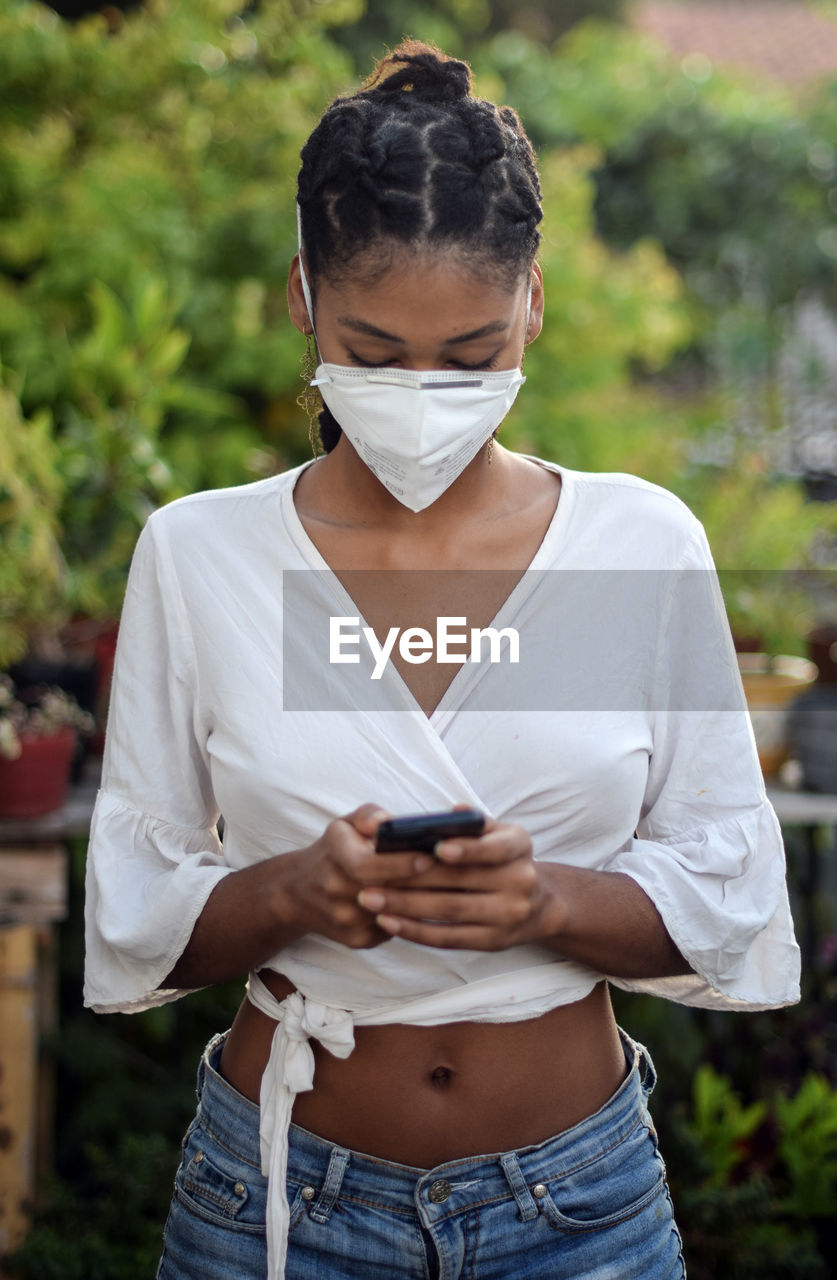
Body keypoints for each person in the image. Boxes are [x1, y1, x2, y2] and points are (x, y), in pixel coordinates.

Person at [83, 40, 801, 1280]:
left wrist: (546, 904)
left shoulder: (635, 546)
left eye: (469, 359)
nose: (423, 393)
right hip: (281, 1207)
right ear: (303, 296)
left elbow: (724, 889)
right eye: (373, 353)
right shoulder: (202, 554)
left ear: (533, 300)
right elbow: (139, 918)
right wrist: (292, 894)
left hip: (578, 1210)